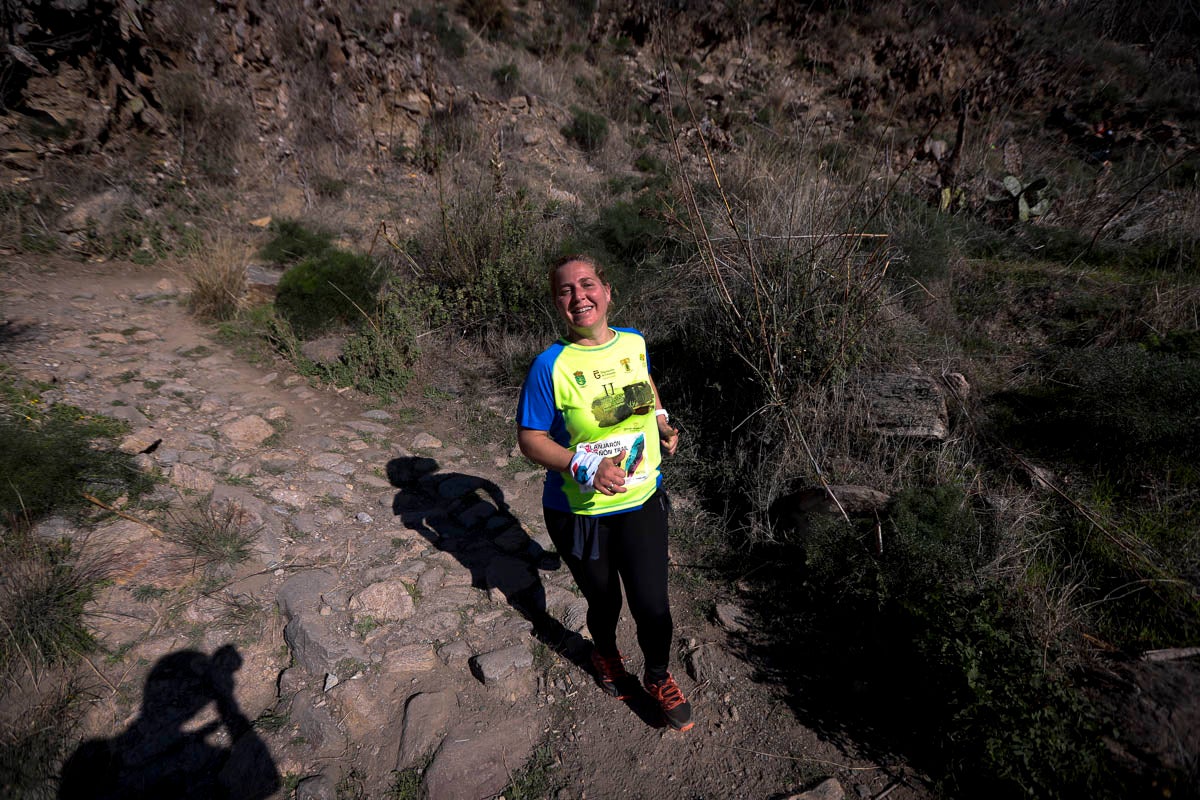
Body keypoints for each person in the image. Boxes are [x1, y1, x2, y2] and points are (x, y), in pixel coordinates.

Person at [516, 254, 693, 732]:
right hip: (579, 511)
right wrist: (583, 463)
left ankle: (657, 676)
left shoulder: (634, 342)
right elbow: (530, 439)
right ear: (557, 304)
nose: (579, 297)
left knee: (653, 604)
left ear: (608, 291)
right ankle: (608, 657)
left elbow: (646, 386)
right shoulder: (549, 365)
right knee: (605, 603)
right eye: (566, 291)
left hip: (641, 500)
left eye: (587, 284)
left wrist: (660, 421)